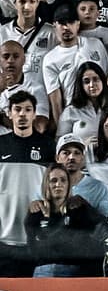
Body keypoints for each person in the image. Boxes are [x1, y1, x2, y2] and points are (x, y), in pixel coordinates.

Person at [0, 90, 55, 277]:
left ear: (34, 113)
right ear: (9, 113)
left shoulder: (48, 146)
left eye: (27, 109)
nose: (22, 114)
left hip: (34, 235)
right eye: (17, 109)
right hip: (3, 234)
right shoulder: (1, 144)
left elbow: (54, 186)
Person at [26, 163, 101, 277]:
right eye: (53, 180)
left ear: (68, 184)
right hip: (43, 270)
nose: (58, 184)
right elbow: (32, 248)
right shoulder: (36, 211)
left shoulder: (79, 208)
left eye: (63, 180)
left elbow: (102, 228)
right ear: (47, 184)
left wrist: (86, 205)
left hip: (74, 271)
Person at [43, 3, 108, 127]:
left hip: (101, 111)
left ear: (78, 24)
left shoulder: (95, 44)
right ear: (54, 26)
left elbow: (106, 79)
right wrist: (62, 130)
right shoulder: (50, 59)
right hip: (75, 115)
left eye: (71, 22)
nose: (66, 27)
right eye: (62, 23)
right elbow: (56, 102)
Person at [0, 0, 57, 118]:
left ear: (38, 2)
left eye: (32, 1)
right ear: (14, 3)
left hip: (41, 105)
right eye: (22, 2)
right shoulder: (2, 33)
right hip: (8, 105)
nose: (27, 7)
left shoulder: (52, 33)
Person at [55, 132, 108, 217]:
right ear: (57, 158)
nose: (71, 157)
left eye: (77, 153)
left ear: (83, 158)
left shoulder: (100, 188)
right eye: (66, 153)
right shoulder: (47, 188)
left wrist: (86, 207)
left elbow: (105, 224)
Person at [57, 61, 108, 141]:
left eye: (96, 79)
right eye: (86, 81)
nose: (92, 85)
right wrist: (83, 145)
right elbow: (60, 143)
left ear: (103, 81)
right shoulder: (70, 111)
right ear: (81, 85)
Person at [0, 40, 49, 135]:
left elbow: (39, 127)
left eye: (16, 56)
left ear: (24, 60)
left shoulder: (35, 88)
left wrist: (2, 118)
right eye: (6, 56)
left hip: (20, 145)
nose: (10, 61)